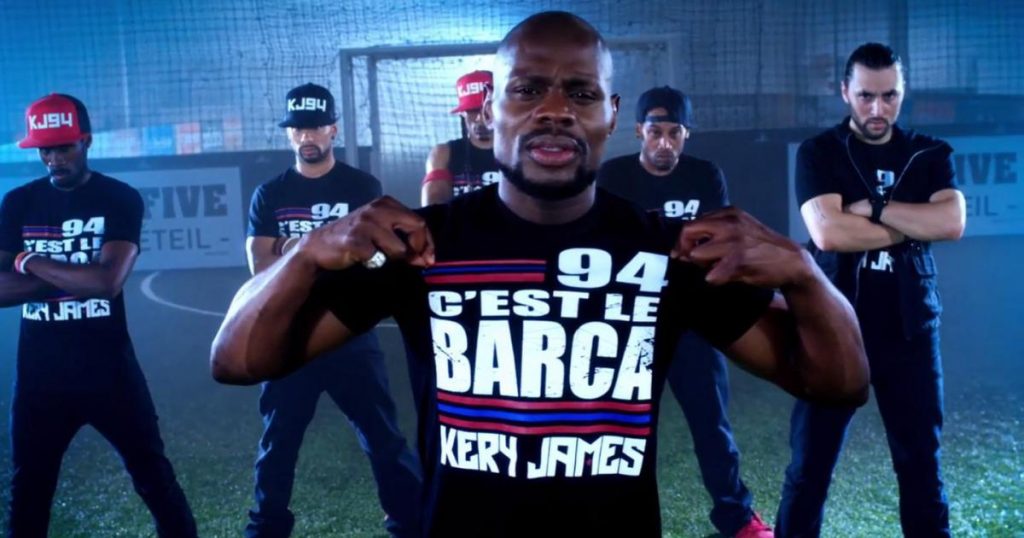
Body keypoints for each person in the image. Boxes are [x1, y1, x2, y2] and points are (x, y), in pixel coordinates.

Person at [211, 12, 869, 537]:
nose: (554, 109)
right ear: (490, 111)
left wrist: (805, 274)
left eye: (580, 92)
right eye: (527, 90)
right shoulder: (423, 245)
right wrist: (307, 252)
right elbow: (237, 359)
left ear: (611, 114)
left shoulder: (663, 252)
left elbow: (838, 382)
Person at [776, 43, 966, 537]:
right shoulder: (821, 152)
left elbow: (951, 221)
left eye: (889, 96)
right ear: (845, 92)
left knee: (921, 466)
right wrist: (910, 223)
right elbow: (828, 234)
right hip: (834, 328)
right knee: (809, 468)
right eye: (866, 96)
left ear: (903, 93)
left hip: (910, 330)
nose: (878, 108)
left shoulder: (928, 153)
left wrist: (874, 210)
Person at [0, 94, 197, 537]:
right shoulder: (18, 203)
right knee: (29, 492)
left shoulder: (118, 198)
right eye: (45, 150)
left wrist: (29, 260)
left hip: (110, 372)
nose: (54, 159)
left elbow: (107, 283)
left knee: (155, 480)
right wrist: (76, 273)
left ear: (86, 141)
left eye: (64, 147)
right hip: (39, 378)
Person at [243, 82, 422, 538]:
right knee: (278, 442)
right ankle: (266, 528)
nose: (307, 136)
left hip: (347, 330)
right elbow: (260, 267)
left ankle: (409, 522)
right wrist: (325, 244)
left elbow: (371, 258)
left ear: (333, 130)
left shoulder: (361, 186)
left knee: (383, 436)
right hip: (289, 335)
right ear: (288, 133)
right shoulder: (269, 193)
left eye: (316, 127)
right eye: (299, 128)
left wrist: (291, 247)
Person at [598, 86, 772, 538]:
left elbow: (716, 244)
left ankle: (736, 517)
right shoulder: (614, 176)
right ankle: (614, 517)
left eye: (674, 132)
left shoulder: (704, 175)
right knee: (622, 429)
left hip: (693, 316)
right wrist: (674, 243)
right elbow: (607, 247)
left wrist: (653, 241)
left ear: (686, 133)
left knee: (712, 423)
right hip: (631, 320)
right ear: (639, 130)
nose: (664, 143)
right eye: (656, 131)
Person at [421, 70, 501, 205]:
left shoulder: (519, 152)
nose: (480, 118)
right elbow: (434, 205)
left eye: (487, 110)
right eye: (472, 111)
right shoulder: (444, 153)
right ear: (462, 113)